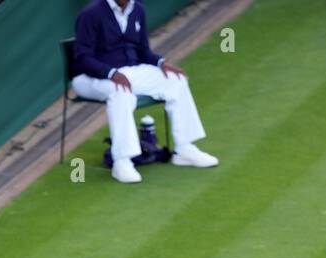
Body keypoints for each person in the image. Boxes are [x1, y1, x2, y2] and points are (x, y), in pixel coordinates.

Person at [71, 0, 217, 184]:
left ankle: (184, 149)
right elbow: (83, 58)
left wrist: (160, 62)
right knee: (121, 92)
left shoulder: (137, 9)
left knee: (176, 80)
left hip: (128, 72)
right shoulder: (91, 14)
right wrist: (110, 73)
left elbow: (143, 51)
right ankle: (122, 161)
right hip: (89, 78)